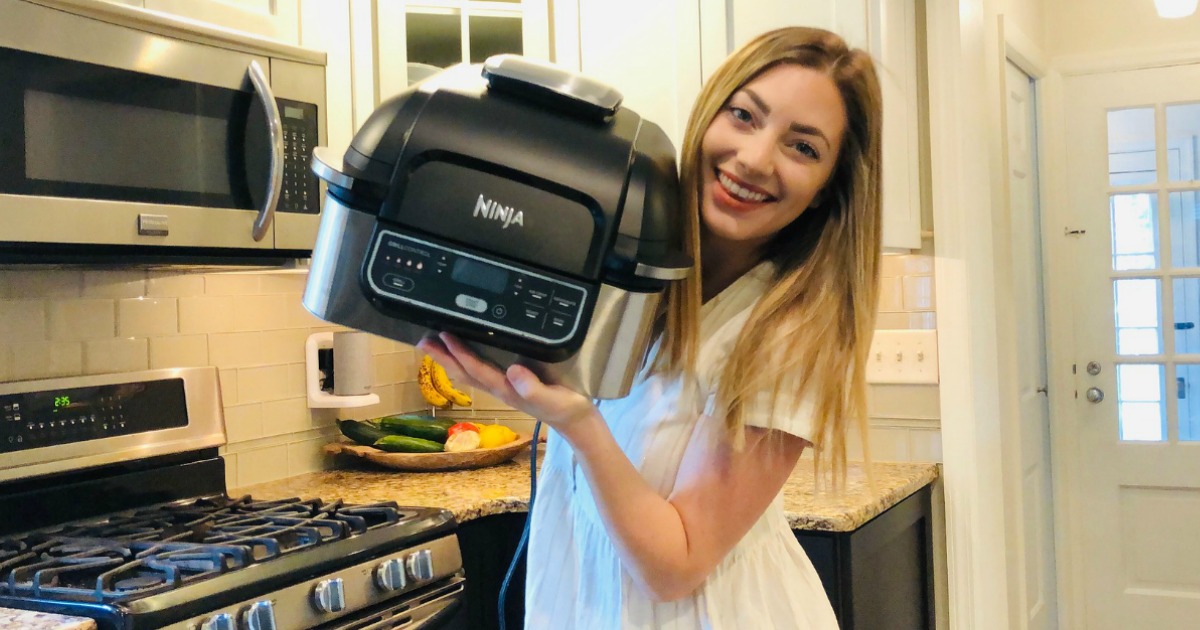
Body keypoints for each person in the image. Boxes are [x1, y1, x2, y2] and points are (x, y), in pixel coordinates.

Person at [419, 26, 882, 630]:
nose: (755, 158)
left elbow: (677, 565)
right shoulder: (636, 266)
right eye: (744, 115)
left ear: (827, 191)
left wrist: (576, 422)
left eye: (803, 148)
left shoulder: (791, 331)